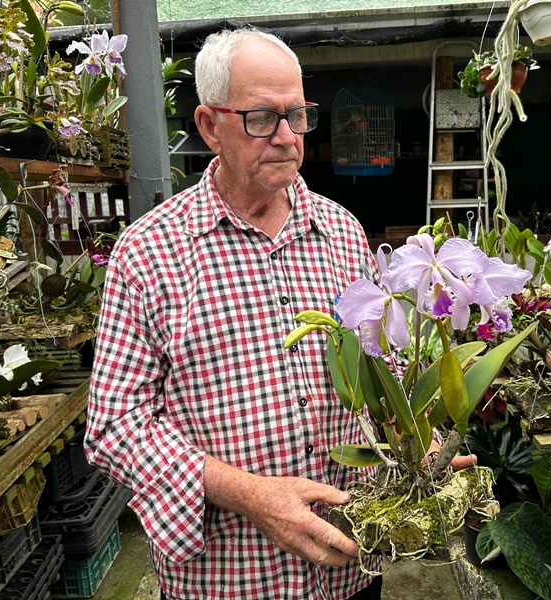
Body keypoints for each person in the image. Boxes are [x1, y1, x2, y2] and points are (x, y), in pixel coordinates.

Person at [85, 28, 382, 599]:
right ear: (208, 125)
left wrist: (421, 429)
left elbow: (377, 364)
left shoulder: (343, 233)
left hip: (348, 569)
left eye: (296, 115)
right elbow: (114, 425)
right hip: (229, 578)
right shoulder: (150, 252)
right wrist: (250, 494)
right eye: (260, 118)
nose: (286, 138)